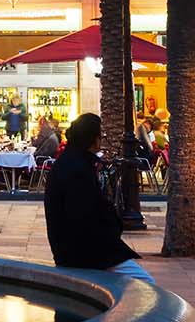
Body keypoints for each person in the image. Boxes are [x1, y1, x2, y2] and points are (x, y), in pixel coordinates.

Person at [43, 113, 149, 282]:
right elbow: (84, 214)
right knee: (145, 285)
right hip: (86, 252)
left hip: (76, 249)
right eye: (101, 135)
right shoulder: (77, 170)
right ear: (93, 139)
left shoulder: (71, 162)